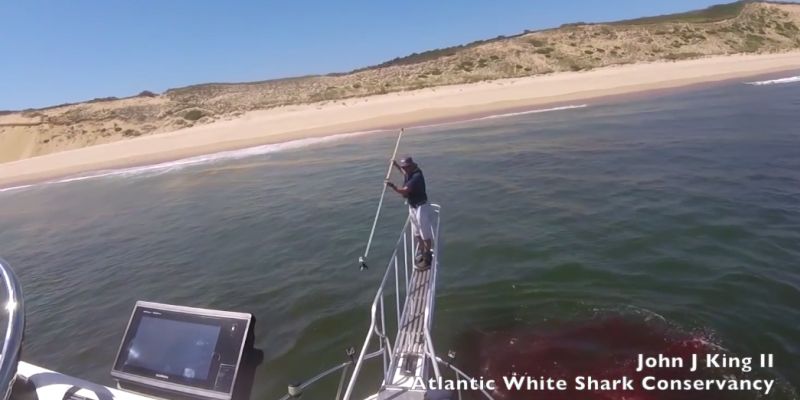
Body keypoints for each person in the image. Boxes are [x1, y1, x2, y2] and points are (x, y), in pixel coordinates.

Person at [385, 156, 434, 270]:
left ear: (412, 166)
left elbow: (405, 190)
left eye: (406, 167)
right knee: (416, 232)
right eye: (403, 167)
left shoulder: (417, 176)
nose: (405, 169)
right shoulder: (409, 172)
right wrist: (396, 165)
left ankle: (427, 258)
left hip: (421, 207)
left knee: (425, 233)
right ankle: (422, 252)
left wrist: (392, 186)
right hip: (412, 207)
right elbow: (404, 173)